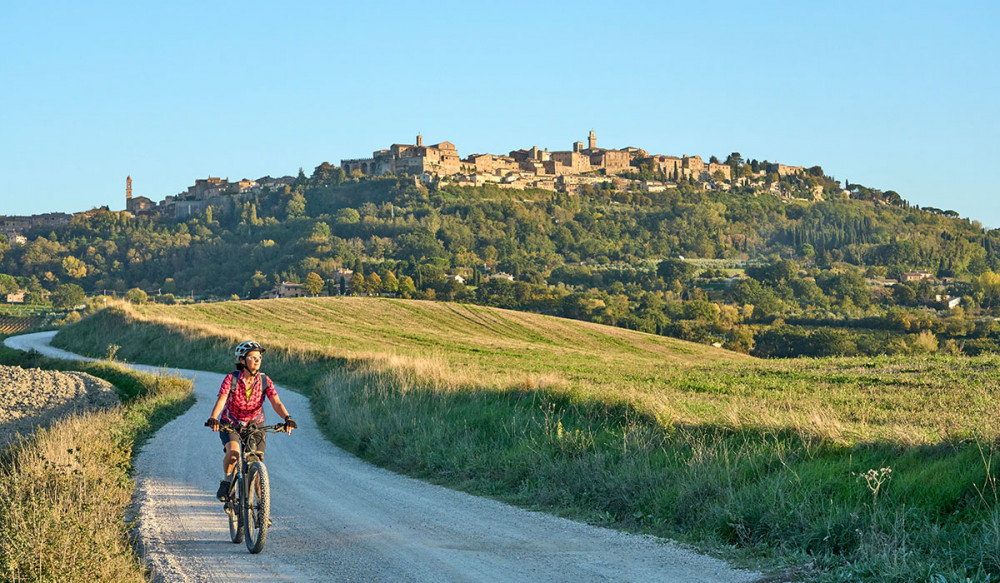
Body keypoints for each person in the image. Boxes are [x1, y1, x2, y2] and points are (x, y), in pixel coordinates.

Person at [205, 340, 296, 501]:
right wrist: (213, 418)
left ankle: (262, 509)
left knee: (257, 462)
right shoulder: (231, 379)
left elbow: (276, 402)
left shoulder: (264, 380)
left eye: (259, 357)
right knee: (234, 453)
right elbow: (222, 400)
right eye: (253, 357)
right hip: (231, 424)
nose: (257, 360)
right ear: (242, 360)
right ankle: (227, 483)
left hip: (255, 424)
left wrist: (287, 418)